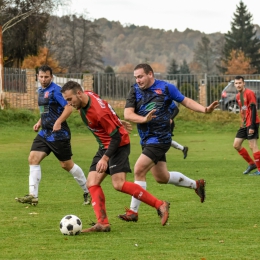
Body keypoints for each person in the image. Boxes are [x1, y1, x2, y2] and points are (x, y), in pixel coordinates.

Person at [61, 81, 170, 232]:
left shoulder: (98, 112)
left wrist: (105, 158)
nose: (69, 103)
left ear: (79, 94)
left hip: (118, 145)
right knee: (92, 183)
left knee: (118, 184)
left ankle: (160, 204)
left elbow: (117, 137)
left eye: (69, 99)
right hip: (104, 144)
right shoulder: (89, 95)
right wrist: (117, 121)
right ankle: (103, 223)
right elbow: (108, 107)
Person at [118, 63, 218, 222]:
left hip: (160, 139)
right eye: (136, 77)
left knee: (139, 170)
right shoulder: (134, 91)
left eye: (140, 76)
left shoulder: (165, 88)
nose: (138, 80)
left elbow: (186, 101)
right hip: (146, 139)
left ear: (150, 74)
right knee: (161, 177)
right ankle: (196, 185)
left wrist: (205, 110)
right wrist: (143, 119)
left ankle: (133, 212)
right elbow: (128, 114)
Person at [15, 65, 91, 206]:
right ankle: (33, 196)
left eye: (46, 77)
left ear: (52, 77)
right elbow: (46, 110)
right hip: (45, 133)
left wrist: (58, 122)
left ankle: (88, 191)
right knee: (33, 158)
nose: (43, 79)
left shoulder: (56, 90)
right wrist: (39, 122)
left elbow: (68, 108)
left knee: (66, 165)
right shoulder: (41, 90)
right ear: (37, 76)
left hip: (58, 134)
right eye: (41, 76)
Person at [233, 75, 260, 175]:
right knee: (236, 145)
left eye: (240, 83)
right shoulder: (237, 96)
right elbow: (243, 109)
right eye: (236, 83)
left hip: (252, 122)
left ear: (244, 83)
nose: (238, 85)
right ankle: (251, 164)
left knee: (253, 146)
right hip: (244, 124)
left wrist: (252, 126)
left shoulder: (249, 93)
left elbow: (253, 109)